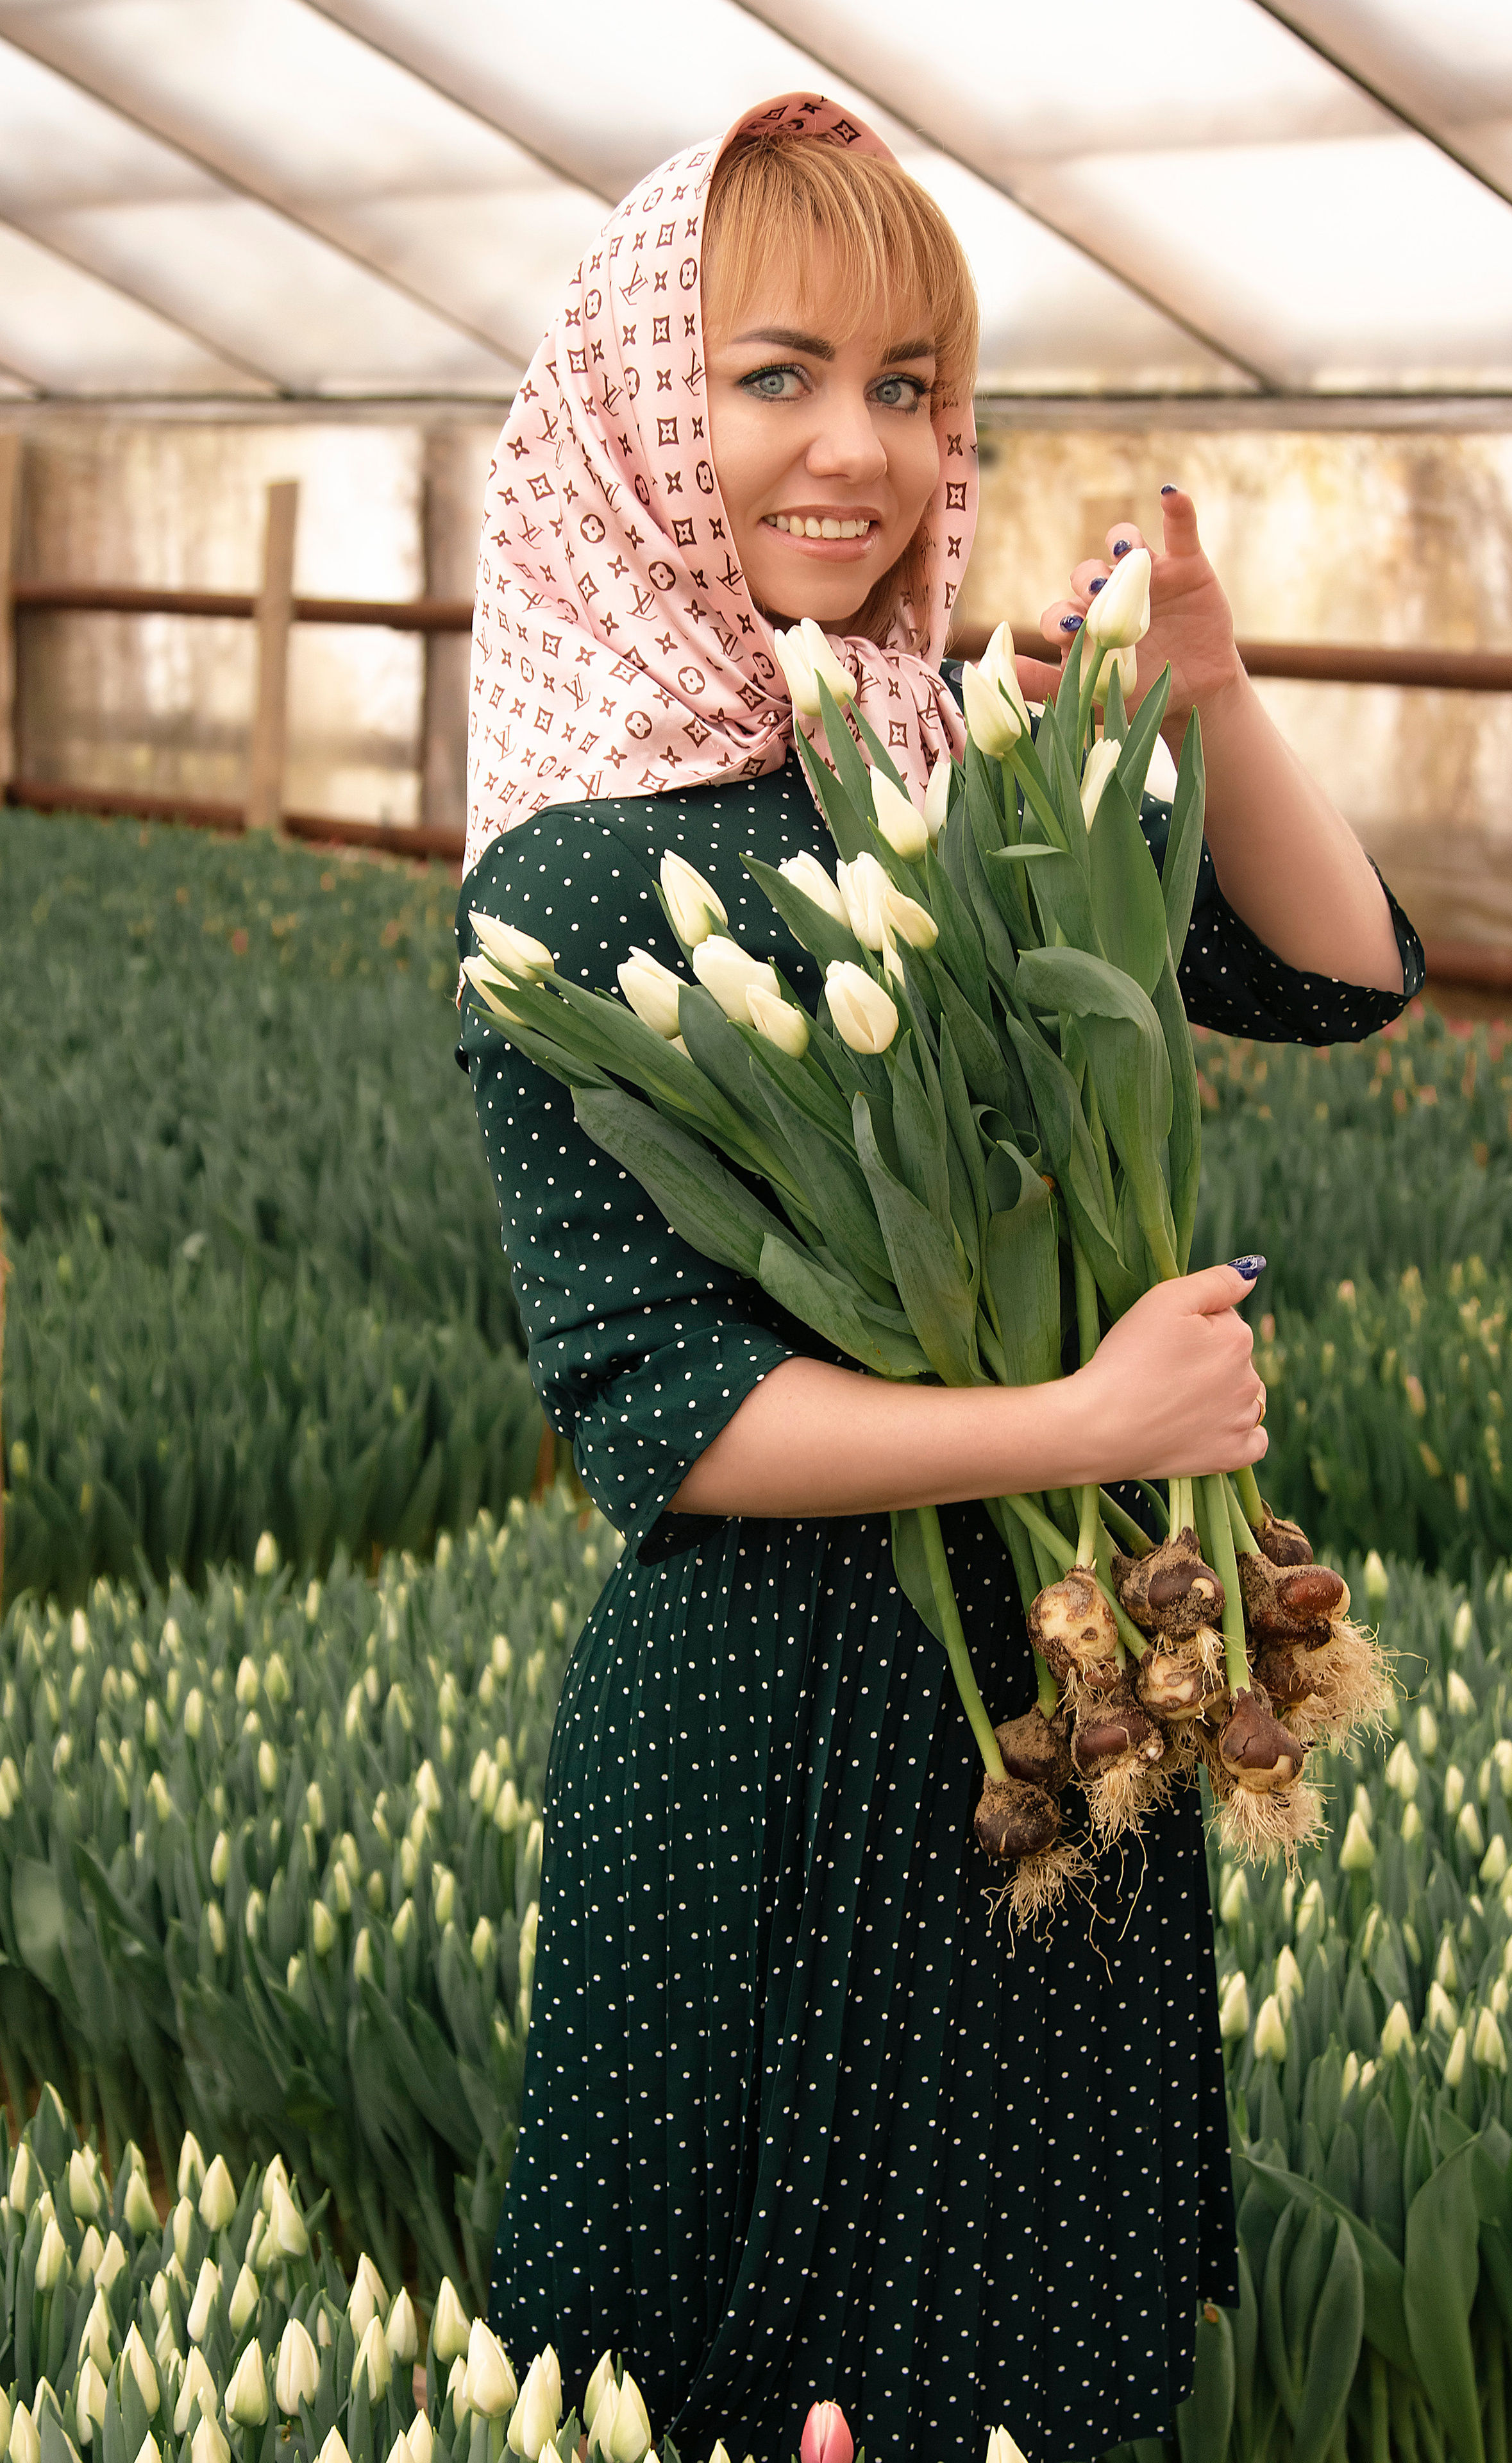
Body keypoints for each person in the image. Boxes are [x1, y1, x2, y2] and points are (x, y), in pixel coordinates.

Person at [457, 94, 1422, 2462]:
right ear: (635, 408)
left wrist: (1197, 692)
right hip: (780, 1757)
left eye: (909, 388)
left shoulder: (968, 762)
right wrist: (1085, 1431)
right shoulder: (574, 885)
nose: (854, 452)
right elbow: (652, 1411)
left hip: (1057, 1739)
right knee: (771, 2388)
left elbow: (1342, 973)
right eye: (775, 376)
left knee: (1035, 2389)